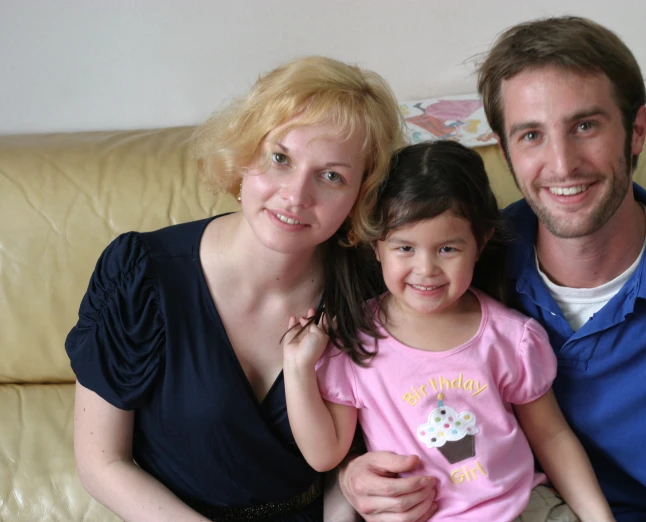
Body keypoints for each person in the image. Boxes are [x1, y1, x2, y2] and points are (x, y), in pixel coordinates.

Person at [339, 16, 646, 522]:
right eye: (531, 135)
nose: (562, 163)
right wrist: (352, 476)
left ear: (636, 131)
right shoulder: (456, 258)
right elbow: (367, 388)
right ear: (505, 152)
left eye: (585, 126)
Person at [64, 55, 406, 522]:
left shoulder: (374, 287)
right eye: (280, 158)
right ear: (245, 152)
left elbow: (361, 451)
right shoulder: (140, 276)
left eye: (331, 176)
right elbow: (102, 462)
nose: (296, 195)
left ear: (358, 196)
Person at [283, 140, 615, 521]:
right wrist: (297, 369)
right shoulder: (357, 341)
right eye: (405, 248)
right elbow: (325, 455)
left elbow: (552, 436)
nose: (426, 269)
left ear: (480, 242)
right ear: (376, 246)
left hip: (523, 507)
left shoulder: (512, 338)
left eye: (447, 250)